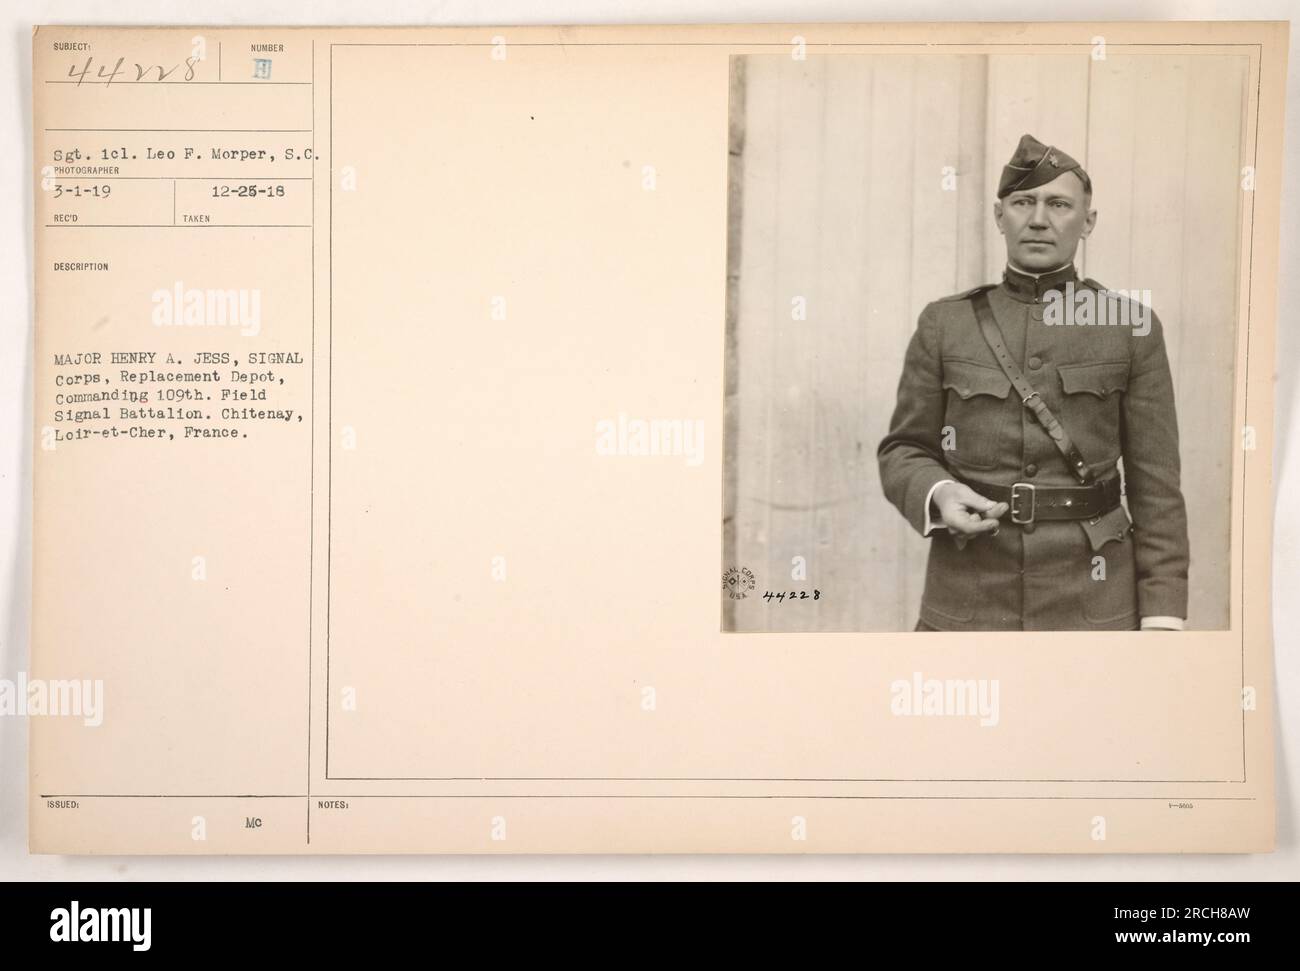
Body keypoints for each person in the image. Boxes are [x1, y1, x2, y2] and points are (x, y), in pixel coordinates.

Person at [877, 134, 1189, 631]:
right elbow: (903, 449)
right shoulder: (945, 324)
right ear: (1000, 216)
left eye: (1058, 204)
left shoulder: (1132, 328)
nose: (1039, 218)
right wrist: (936, 492)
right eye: (1023, 202)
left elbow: (1157, 487)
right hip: (969, 596)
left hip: (1093, 604)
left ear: (1087, 223)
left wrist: (1163, 615)